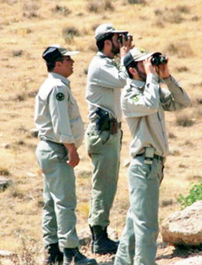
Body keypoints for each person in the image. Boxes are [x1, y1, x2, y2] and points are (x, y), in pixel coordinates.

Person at [114, 48, 191, 265]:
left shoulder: (152, 88)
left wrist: (166, 77)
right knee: (147, 228)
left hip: (154, 165)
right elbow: (149, 104)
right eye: (142, 63)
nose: (148, 66)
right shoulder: (130, 94)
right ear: (132, 69)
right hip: (144, 164)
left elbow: (183, 102)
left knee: (134, 223)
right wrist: (152, 78)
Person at [34, 44, 97, 265]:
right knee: (65, 203)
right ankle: (71, 252)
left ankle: (53, 252)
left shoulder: (51, 85)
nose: (72, 62)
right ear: (58, 64)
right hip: (57, 149)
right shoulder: (58, 88)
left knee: (51, 203)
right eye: (68, 59)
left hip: (48, 148)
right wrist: (71, 148)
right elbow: (60, 122)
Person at [85, 23, 133, 254]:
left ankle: (100, 234)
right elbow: (124, 80)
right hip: (103, 134)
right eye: (117, 39)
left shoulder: (107, 64)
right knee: (103, 186)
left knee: (108, 184)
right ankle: (99, 237)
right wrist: (125, 55)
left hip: (109, 133)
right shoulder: (99, 66)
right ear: (106, 41)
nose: (120, 42)